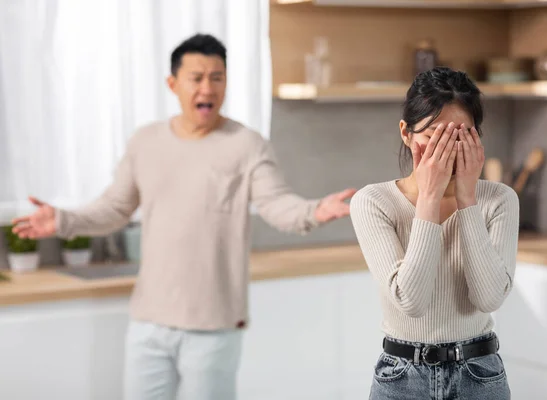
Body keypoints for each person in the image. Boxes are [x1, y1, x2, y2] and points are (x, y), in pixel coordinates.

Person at [12, 33, 356, 400]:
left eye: (217, 77)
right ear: (173, 83)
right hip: (149, 322)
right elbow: (114, 208)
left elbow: (276, 204)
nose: (207, 87)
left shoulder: (247, 144)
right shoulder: (146, 142)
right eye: (196, 78)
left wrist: (314, 211)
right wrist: (62, 221)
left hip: (214, 324)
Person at [349, 66, 518, 400]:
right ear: (406, 134)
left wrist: (467, 200)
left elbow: (489, 298)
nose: (446, 154)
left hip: (479, 374)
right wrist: (429, 198)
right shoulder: (374, 202)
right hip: (401, 377)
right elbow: (410, 301)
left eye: (460, 138)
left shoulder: (498, 200)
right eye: (434, 139)